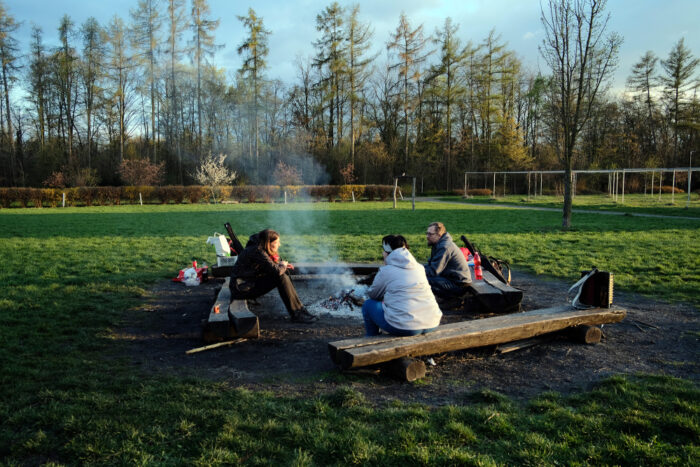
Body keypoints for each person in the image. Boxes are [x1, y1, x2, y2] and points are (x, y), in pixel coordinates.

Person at [229, 229, 318, 323]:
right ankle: (297, 314)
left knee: (282, 273)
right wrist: (282, 265)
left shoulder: (258, 247)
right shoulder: (257, 251)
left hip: (246, 284)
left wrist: (280, 265)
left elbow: (266, 267)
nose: (279, 245)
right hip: (241, 289)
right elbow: (276, 272)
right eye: (276, 242)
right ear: (268, 243)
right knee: (281, 277)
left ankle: (299, 309)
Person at [361, 235, 442, 336]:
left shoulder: (386, 271)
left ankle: (371, 337)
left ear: (387, 253)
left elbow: (373, 295)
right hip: (432, 322)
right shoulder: (419, 268)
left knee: (368, 305)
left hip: (406, 327)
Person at [424, 221, 472, 298]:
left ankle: (453, 299)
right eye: (427, 233)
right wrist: (416, 268)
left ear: (439, 235)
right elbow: (430, 265)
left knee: (424, 280)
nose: (427, 236)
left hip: (459, 285)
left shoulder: (444, 247)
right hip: (452, 279)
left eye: (430, 234)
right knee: (424, 277)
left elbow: (434, 271)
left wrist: (416, 272)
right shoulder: (438, 244)